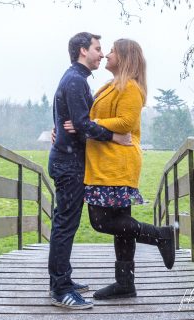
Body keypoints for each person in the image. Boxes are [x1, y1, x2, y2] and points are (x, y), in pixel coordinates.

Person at [64, 38, 175, 300]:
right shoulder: (111, 86)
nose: (107, 55)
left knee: (101, 221)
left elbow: (126, 122)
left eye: (112, 50)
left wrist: (90, 122)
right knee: (120, 223)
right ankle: (125, 283)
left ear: (124, 57)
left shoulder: (131, 88)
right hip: (107, 161)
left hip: (116, 164)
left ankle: (161, 235)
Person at [48, 32, 132, 309]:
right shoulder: (75, 81)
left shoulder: (75, 79)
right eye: (97, 49)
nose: (102, 54)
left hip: (69, 161)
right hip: (69, 165)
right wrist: (115, 137)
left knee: (66, 224)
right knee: (65, 226)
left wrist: (61, 128)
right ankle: (61, 289)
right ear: (83, 51)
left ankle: (63, 280)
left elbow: (73, 121)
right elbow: (82, 124)